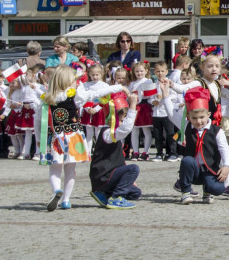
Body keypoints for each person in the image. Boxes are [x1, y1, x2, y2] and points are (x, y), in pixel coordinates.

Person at [41, 65, 125, 211]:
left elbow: (40, 121)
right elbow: (97, 93)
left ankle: (56, 190)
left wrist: (39, 140)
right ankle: (66, 200)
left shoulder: (48, 97)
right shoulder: (76, 96)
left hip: (56, 137)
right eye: (75, 79)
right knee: (70, 169)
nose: (77, 82)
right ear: (69, 81)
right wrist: (117, 87)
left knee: (54, 168)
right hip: (73, 136)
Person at [164, 87, 229, 204]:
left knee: (217, 189)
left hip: (210, 168)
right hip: (193, 170)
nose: (198, 121)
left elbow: (224, 149)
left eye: (202, 117)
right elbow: (171, 114)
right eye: (194, 118)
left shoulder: (216, 131)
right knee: (187, 161)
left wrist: (226, 166)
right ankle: (185, 192)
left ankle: (207, 191)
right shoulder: (186, 126)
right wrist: (165, 94)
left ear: (208, 114)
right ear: (189, 117)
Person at [89, 91, 141, 209]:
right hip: (103, 176)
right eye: (122, 120)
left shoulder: (114, 134)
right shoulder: (108, 133)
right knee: (134, 168)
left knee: (135, 193)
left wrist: (127, 179)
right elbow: (126, 129)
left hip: (110, 174)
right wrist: (132, 106)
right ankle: (116, 197)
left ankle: (105, 194)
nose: (123, 123)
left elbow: (119, 158)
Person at [128, 61, 157, 161]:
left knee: (146, 130)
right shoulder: (132, 83)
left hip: (144, 106)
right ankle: (135, 151)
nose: (139, 73)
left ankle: (146, 152)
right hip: (135, 106)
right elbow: (129, 94)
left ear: (146, 71)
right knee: (134, 130)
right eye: (137, 71)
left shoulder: (148, 81)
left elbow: (151, 94)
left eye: (141, 71)